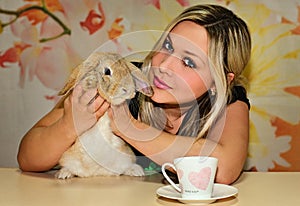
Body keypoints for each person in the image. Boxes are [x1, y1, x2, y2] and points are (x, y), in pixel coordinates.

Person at [17, 4, 251, 184]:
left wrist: (128, 127)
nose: (164, 65)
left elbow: (224, 169)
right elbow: (27, 158)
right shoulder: (122, 80)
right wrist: (70, 124)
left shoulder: (230, 100)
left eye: (188, 62)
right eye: (168, 46)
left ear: (220, 81)